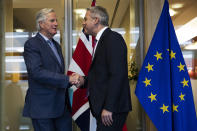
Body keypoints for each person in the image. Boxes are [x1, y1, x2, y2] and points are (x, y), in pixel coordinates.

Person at [23, 8, 79, 131]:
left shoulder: (57, 45)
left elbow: (56, 74)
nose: (56, 24)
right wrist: (67, 79)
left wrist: (72, 81)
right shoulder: (32, 44)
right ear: (41, 24)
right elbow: (37, 72)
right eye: (52, 20)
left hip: (61, 107)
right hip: (43, 109)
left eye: (56, 20)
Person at [78, 6, 132, 131]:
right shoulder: (101, 40)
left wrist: (109, 107)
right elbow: (101, 75)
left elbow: (117, 75)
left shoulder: (113, 38)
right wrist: (84, 81)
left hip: (111, 110)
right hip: (104, 109)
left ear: (96, 20)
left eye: (85, 19)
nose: (83, 23)